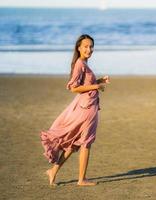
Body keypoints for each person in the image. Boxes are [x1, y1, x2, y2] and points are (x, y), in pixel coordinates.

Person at [40, 34, 110, 186]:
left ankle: (53, 171)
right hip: (86, 109)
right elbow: (74, 88)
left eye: (91, 46)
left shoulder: (84, 63)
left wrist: (99, 81)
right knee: (86, 143)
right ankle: (81, 179)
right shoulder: (80, 64)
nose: (89, 49)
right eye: (86, 46)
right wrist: (95, 86)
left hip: (88, 105)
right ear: (79, 48)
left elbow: (85, 84)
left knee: (74, 144)